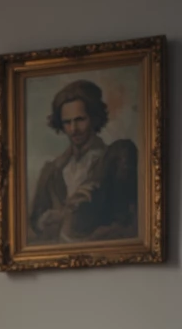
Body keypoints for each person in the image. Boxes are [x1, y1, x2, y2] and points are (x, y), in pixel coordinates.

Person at [29, 77, 138, 245]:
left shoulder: (114, 158)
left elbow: (126, 220)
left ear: (94, 118)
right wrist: (43, 222)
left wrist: (68, 216)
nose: (73, 129)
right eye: (67, 122)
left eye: (80, 119)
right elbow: (34, 224)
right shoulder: (52, 171)